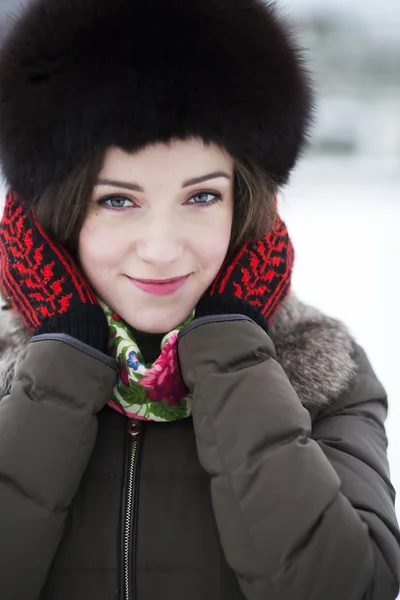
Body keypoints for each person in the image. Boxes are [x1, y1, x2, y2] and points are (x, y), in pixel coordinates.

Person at [0, 0, 399, 599]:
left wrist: (231, 353)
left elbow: (350, 585)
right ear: (53, 214)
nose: (161, 250)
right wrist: (59, 367)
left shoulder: (320, 366)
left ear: (245, 203)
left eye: (201, 197)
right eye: (117, 200)